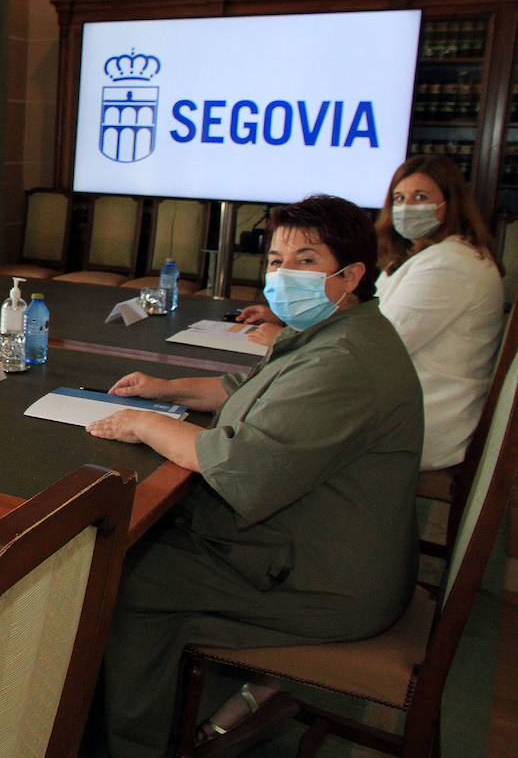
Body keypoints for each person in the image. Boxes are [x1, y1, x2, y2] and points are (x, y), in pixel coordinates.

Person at [86, 195, 423, 758]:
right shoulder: (339, 331)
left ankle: (128, 745)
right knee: (137, 547)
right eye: (275, 260)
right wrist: (166, 390)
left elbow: (235, 464)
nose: (284, 274)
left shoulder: (345, 364)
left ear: (352, 275)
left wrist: (144, 424)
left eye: (307, 260)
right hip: (306, 545)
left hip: (321, 583)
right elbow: (248, 392)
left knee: (121, 579)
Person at [242, 155, 504, 470]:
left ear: (452, 203)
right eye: (399, 198)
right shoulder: (425, 255)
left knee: (260, 436)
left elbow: (380, 344)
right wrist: (288, 315)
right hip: (389, 405)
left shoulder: (451, 266)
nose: (407, 207)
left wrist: (287, 338)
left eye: (420, 198)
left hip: (416, 424)